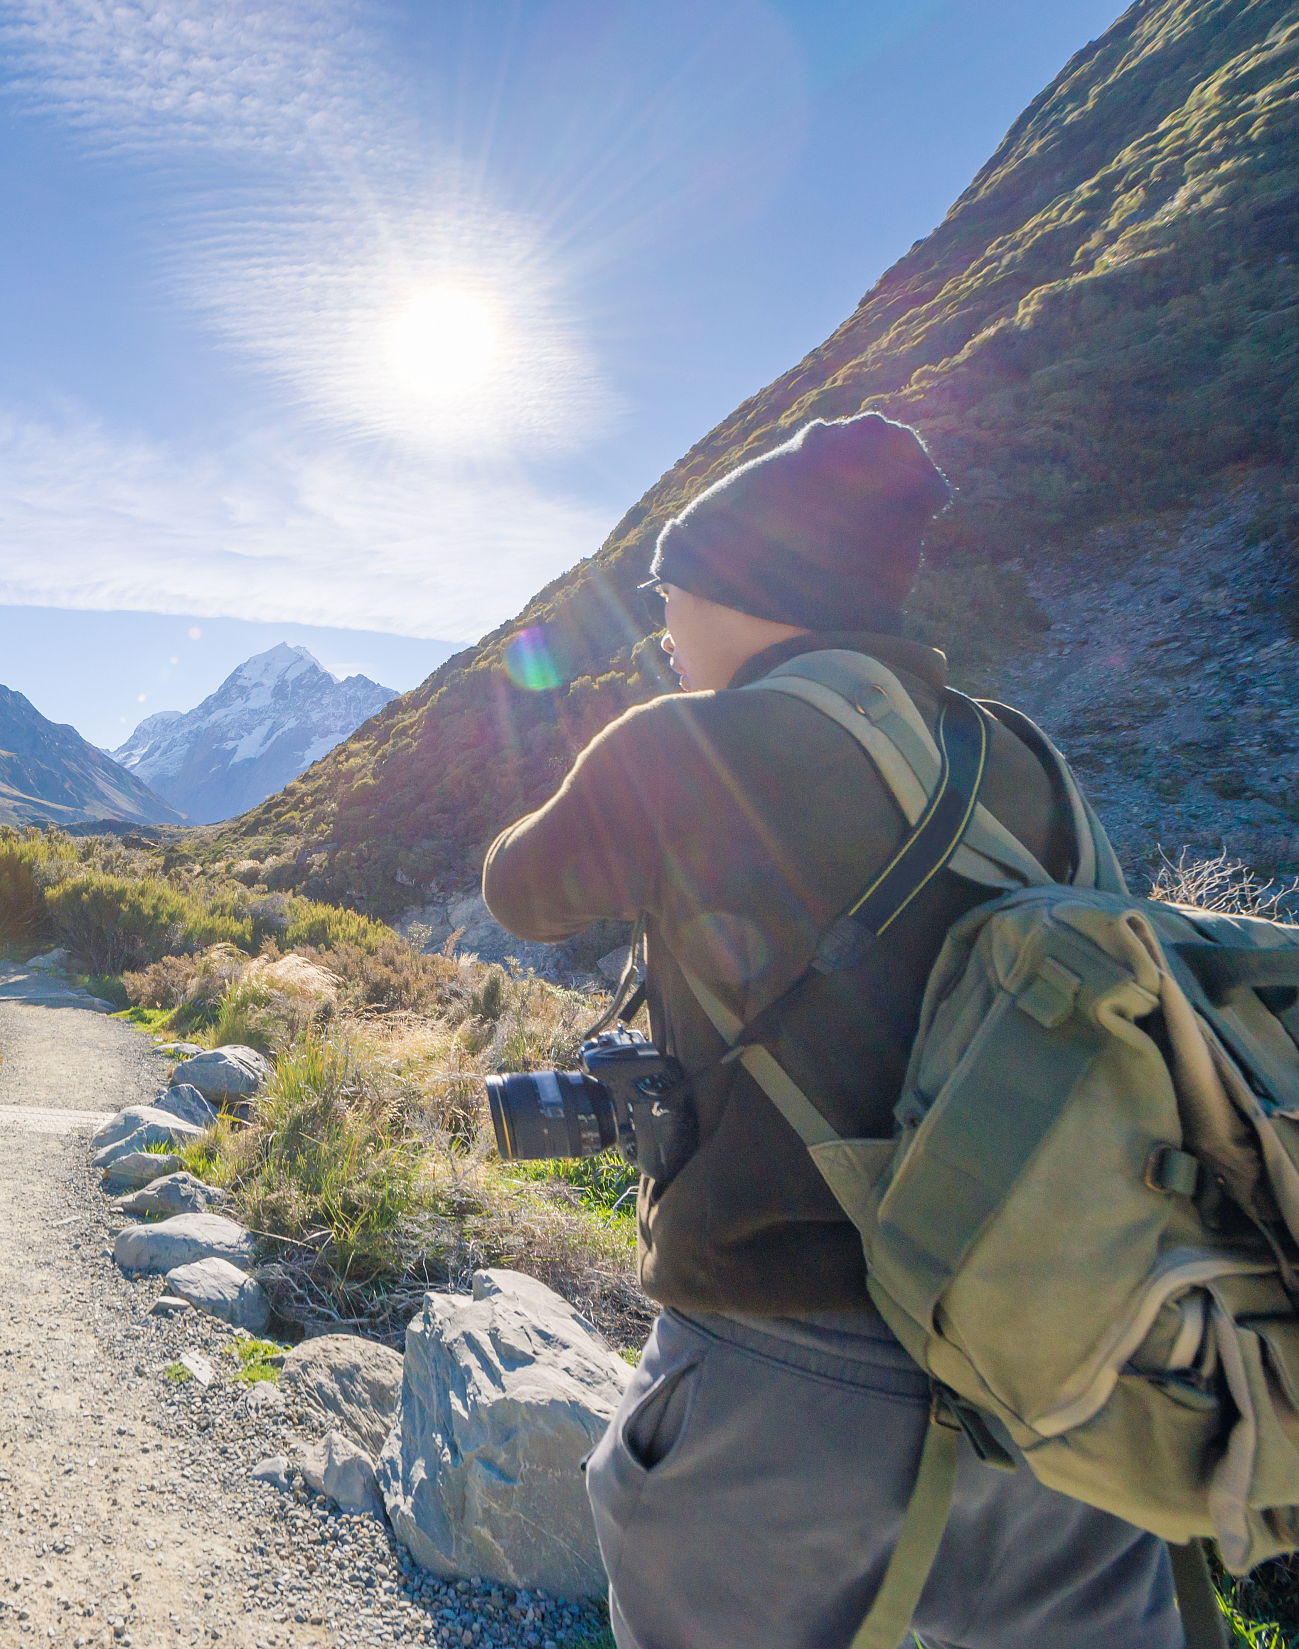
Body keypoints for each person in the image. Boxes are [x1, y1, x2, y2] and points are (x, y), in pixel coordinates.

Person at [481, 413, 1185, 1648]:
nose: (662, 625)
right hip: (1055, 1364)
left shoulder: (682, 741)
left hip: (783, 1364)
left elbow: (515, 887)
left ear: (742, 591)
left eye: (671, 591)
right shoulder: (1023, 755)